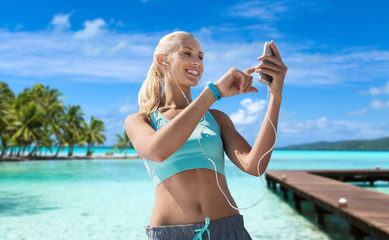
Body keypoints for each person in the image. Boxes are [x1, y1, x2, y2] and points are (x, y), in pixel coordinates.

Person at [125, 31, 287, 240]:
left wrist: (276, 94)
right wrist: (213, 92)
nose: (197, 62)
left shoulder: (217, 119)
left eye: (201, 57)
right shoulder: (140, 120)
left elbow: (255, 166)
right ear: (161, 59)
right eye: (187, 53)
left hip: (229, 231)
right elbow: (157, 151)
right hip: (170, 235)